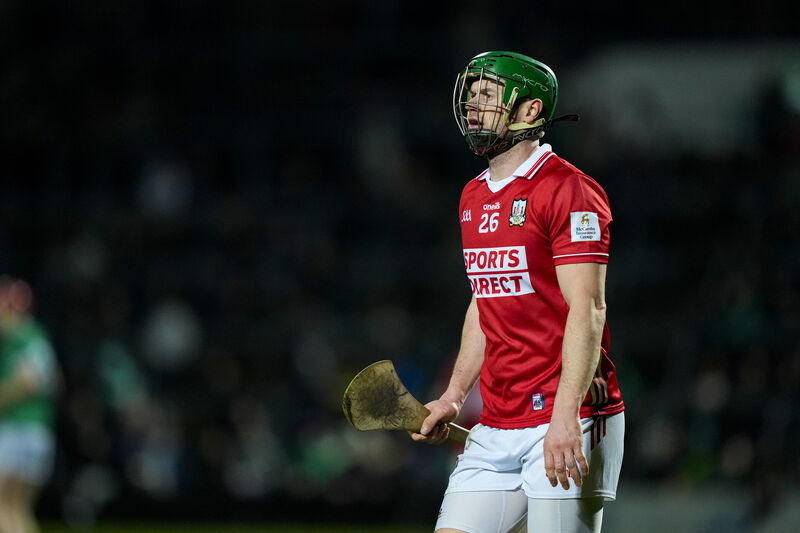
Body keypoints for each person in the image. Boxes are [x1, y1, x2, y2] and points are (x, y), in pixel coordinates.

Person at [411, 52, 625, 533]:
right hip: (497, 422)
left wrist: (566, 415)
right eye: (470, 95)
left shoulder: (570, 190)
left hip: (568, 413)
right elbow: (483, 303)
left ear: (529, 111)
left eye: (486, 96)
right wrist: (453, 395)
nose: (471, 106)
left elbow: (588, 310)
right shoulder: (473, 195)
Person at [0, 277, 60, 533]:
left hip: (17, 430)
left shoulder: (24, 339)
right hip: (39, 432)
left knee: (3, 507)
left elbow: (27, 382)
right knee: (18, 509)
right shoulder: (39, 338)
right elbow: (56, 382)